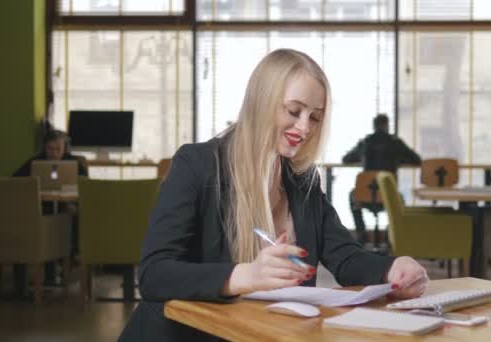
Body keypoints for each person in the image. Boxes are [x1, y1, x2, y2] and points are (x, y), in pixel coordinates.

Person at [118, 49, 428, 341]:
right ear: (262, 102)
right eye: (294, 111)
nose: (304, 127)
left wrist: (392, 269)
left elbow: (344, 255)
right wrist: (245, 276)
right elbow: (155, 274)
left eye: (315, 117)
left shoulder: (303, 179)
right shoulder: (197, 165)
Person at [12, 129, 87, 295]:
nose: (53, 154)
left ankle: (64, 261)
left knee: (71, 216)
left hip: (67, 209)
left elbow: (85, 184)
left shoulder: (74, 163)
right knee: (40, 217)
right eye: (49, 149)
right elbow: (15, 180)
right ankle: (50, 271)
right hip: (39, 211)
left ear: (64, 149)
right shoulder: (35, 162)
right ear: (44, 148)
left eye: (57, 150)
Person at [342, 114, 421, 244]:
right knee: (400, 199)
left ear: (374, 126)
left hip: (365, 197)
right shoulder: (395, 142)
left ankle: (362, 234)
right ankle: (391, 236)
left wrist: (362, 158)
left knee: (353, 196)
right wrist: (400, 159)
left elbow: (346, 159)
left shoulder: (366, 142)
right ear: (387, 125)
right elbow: (416, 160)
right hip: (388, 198)